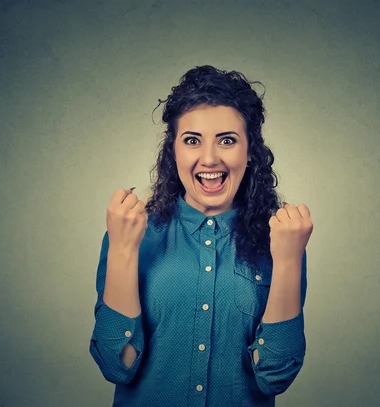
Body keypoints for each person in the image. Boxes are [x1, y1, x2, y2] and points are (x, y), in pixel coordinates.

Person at [89, 65, 313, 406]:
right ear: (174, 151)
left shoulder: (281, 240)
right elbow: (115, 365)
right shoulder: (132, 233)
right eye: (192, 140)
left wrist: (287, 260)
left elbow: (275, 375)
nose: (209, 158)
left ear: (250, 151)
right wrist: (121, 248)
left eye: (227, 140)